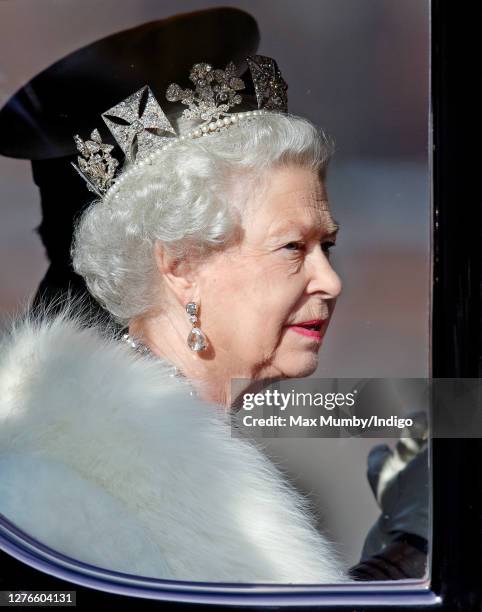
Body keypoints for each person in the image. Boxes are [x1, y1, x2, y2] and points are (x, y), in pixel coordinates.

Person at [0, 52, 427, 584]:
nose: (331, 281)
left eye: (328, 246)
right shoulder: (51, 496)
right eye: (293, 247)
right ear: (181, 265)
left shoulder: (164, 457)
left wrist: (404, 557)